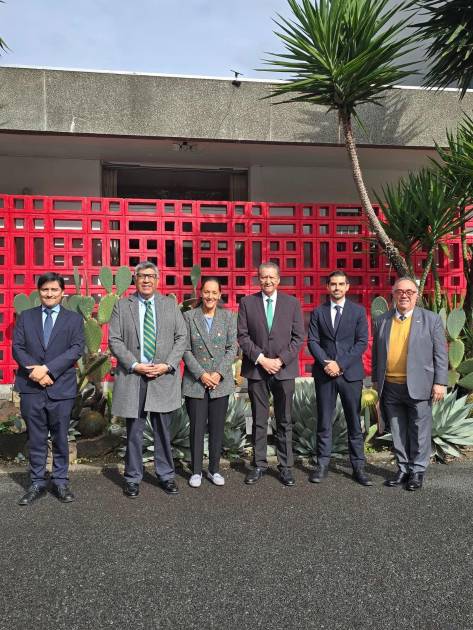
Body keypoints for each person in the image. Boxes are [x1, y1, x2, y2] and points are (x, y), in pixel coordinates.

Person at [109, 261, 187, 498]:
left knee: (162, 430)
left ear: (157, 279)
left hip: (162, 376)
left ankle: (166, 475)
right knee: (135, 430)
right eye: (142, 276)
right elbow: (114, 340)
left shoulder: (169, 305)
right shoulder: (122, 306)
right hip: (134, 375)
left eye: (151, 276)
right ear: (134, 279)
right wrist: (135, 365)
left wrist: (167, 365)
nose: (146, 280)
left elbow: (181, 337)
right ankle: (133, 477)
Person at [12, 272, 84, 505]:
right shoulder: (26, 317)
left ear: (63, 293)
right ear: (39, 292)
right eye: (45, 290)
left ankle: (60, 481)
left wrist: (47, 370)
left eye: (54, 290)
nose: (49, 294)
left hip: (61, 387)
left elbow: (76, 348)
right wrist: (35, 373)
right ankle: (37, 482)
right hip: (31, 386)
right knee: (36, 437)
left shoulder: (73, 319)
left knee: (60, 436)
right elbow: (17, 347)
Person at [372, 277, 447, 491]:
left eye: (409, 292)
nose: (404, 295)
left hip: (419, 385)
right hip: (390, 386)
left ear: (416, 295)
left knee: (419, 429)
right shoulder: (382, 320)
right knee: (397, 430)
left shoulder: (431, 319)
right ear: (393, 294)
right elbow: (377, 354)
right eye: (399, 291)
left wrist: (440, 382)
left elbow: (440, 354)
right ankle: (403, 468)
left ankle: (417, 471)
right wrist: (376, 382)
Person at [237, 262, 305, 486]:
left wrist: (280, 360)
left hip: (283, 370)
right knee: (259, 419)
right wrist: (262, 359)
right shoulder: (247, 303)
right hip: (257, 369)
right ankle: (259, 465)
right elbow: (243, 336)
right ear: (258, 279)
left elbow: (298, 337)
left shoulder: (292, 303)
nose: (267, 281)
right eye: (263, 277)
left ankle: (285, 467)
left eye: (271, 277)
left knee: (284, 419)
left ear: (278, 279)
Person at [307, 270, 371, 486]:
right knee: (324, 421)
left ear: (347, 287)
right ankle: (322, 464)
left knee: (354, 421)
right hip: (325, 374)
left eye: (341, 284)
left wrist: (340, 364)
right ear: (327, 287)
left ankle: (358, 466)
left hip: (350, 374)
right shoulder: (318, 312)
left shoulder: (358, 311)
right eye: (333, 284)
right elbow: (313, 341)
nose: (337, 288)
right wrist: (327, 363)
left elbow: (361, 342)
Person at [182, 278, 238, 488]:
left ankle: (214, 469)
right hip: (196, 382)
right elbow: (185, 349)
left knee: (217, 427)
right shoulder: (189, 317)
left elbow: (232, 348)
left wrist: (218, 374)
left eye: (214, 292)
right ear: (201, 293)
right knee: (196, 428)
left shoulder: (228, 316)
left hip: (219, 382)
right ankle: (196, 471)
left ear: (220, 294)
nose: (210, 296)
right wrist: (202, 374)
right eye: (207, 292)